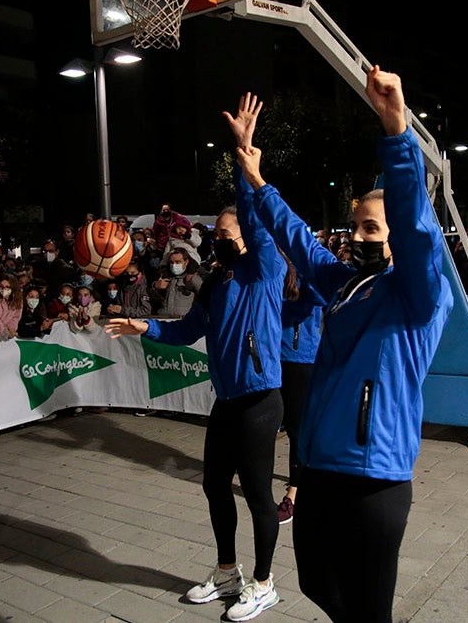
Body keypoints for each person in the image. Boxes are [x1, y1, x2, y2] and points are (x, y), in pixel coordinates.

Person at [234, 67, 453, 622]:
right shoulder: (346, 284)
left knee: (368, 610)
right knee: (314, 582)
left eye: (371, 229)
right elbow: (298, 241)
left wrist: (396, 131)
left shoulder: (419, 295)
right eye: (355, 226)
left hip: (373, 478)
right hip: (319, 468)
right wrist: (255, 178)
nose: (357, 236)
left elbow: (417, 228)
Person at [105, 92, 287, 622]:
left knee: (258, 494)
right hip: (227, 402)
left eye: (226, 234)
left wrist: (243, 155)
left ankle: (264, 583)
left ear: (247, 237)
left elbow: (255, 219)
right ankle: (228, 572)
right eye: (217, 234)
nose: (218, 240)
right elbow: (187, 331)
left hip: (260, 400)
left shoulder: (265, 269)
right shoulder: (216, 283)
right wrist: (145, 326)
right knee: (213, 486)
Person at [276, 254, 326, 525]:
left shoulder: (306, 272)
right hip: (270, 359)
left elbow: (321, 297)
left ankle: (294, 493)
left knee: (298, 429)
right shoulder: (267, 269)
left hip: (299, 360)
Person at [150, 248, 203, 317]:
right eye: (171, 262)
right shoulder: (164, 277)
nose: (174, 265)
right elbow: (153, 300)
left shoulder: (192, 278)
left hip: (183, 320)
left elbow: (205, 297)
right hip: (163, 318)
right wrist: (155, 287)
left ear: (186, 262)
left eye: (178, 262)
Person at [0, 272, 22, 339]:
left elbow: (16, 317)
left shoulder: (18, 300)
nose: (4, 289)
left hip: (9, 334)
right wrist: (4, 331)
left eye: (7, 287)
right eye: (1, 286)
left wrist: (11, 329)